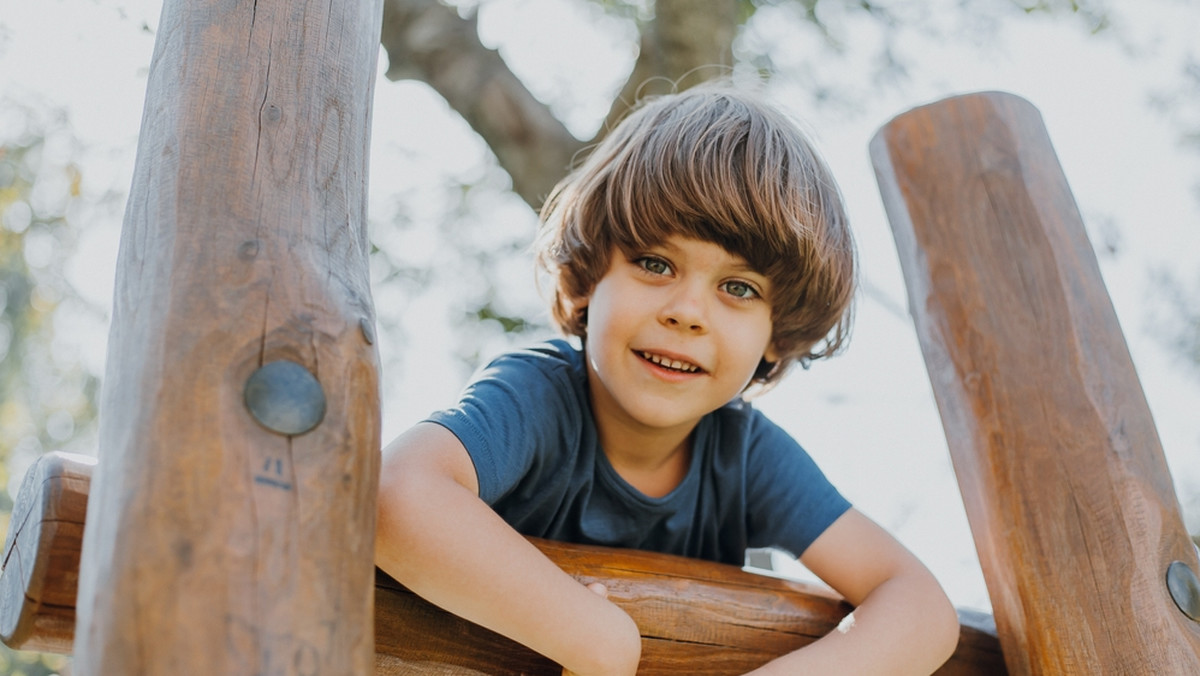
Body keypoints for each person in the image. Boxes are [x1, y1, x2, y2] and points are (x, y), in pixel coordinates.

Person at [375, 83, 960, 675]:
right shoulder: (539, 396)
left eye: (739, 288)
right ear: (587, 278)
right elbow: (392, 491)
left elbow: (919, 604)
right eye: (655, 263)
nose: (687, 311)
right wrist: (596, 638)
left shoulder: (745, 455)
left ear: (776, 337)